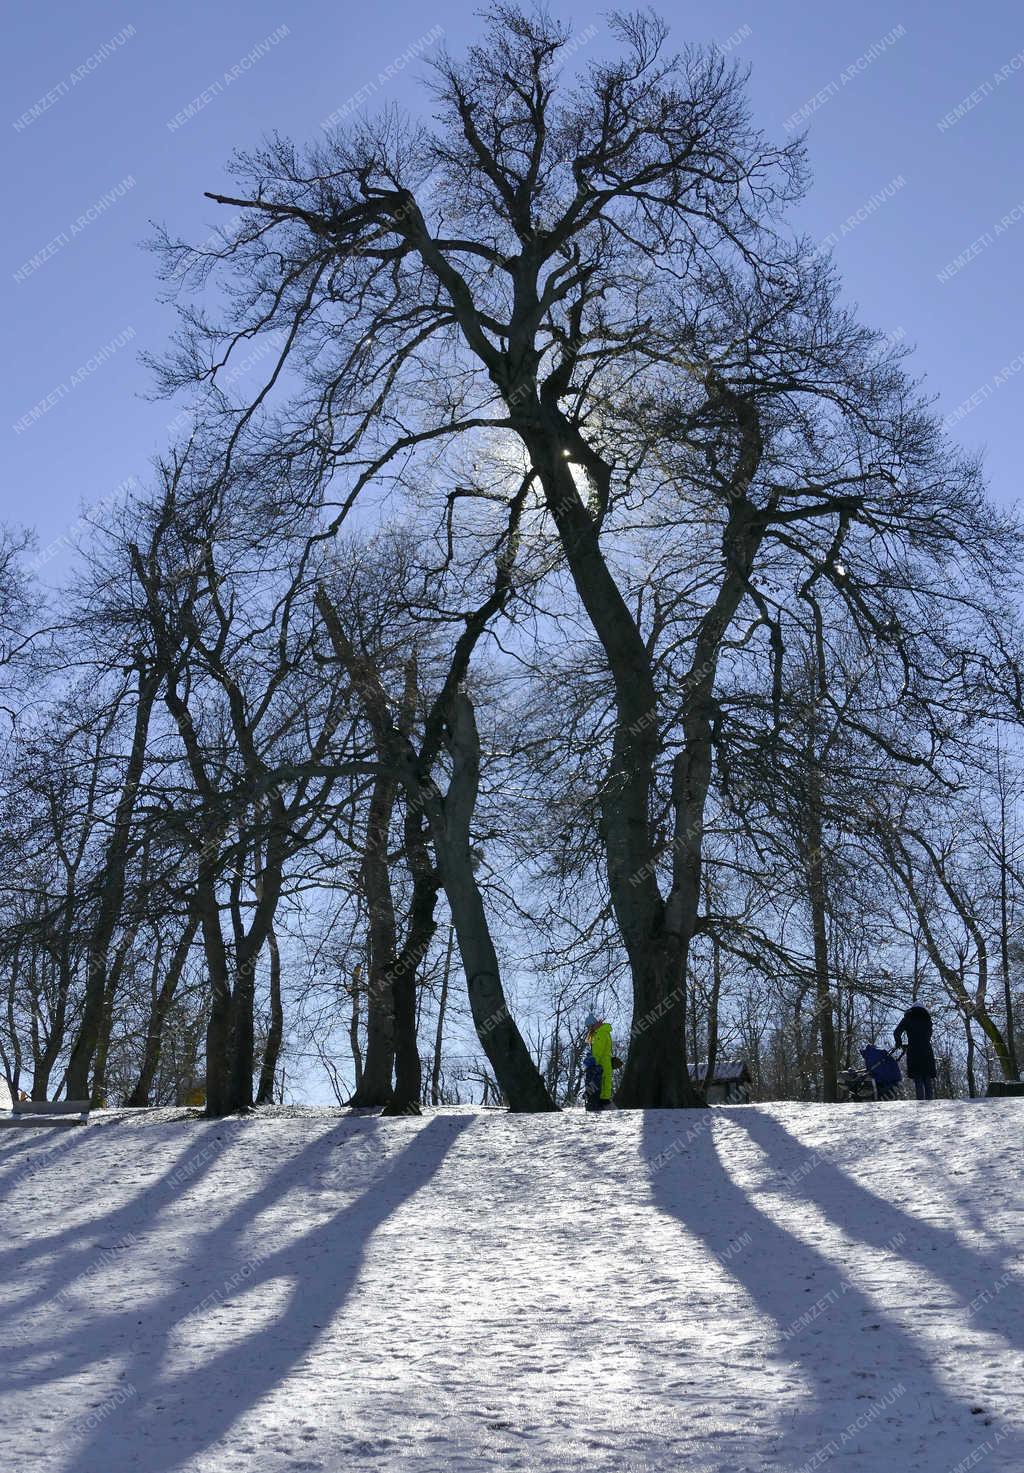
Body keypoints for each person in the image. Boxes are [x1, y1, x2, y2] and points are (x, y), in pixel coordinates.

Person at [894, 1004, 937, 1101]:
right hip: (927, 1050)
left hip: (914, 1050)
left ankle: (920, 1102)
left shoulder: (908, 1018)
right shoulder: (927, 1020)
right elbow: (929, 1034)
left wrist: (899, 1043)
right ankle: (930, 1102)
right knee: (927, 1077)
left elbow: (896, 1032)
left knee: (918, 1077)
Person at [583, 1010, 614, 1111]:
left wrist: (592, 1061)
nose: (589, 1029)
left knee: (599, 1082)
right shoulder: (602, 1032)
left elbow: (598, 1051)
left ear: (594, 1024)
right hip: (604, 1063)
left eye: (590, 1027)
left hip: (601, 1063)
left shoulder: (600, 1033)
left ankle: (600, 1102)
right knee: (604, 1082)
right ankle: (604, 1100)